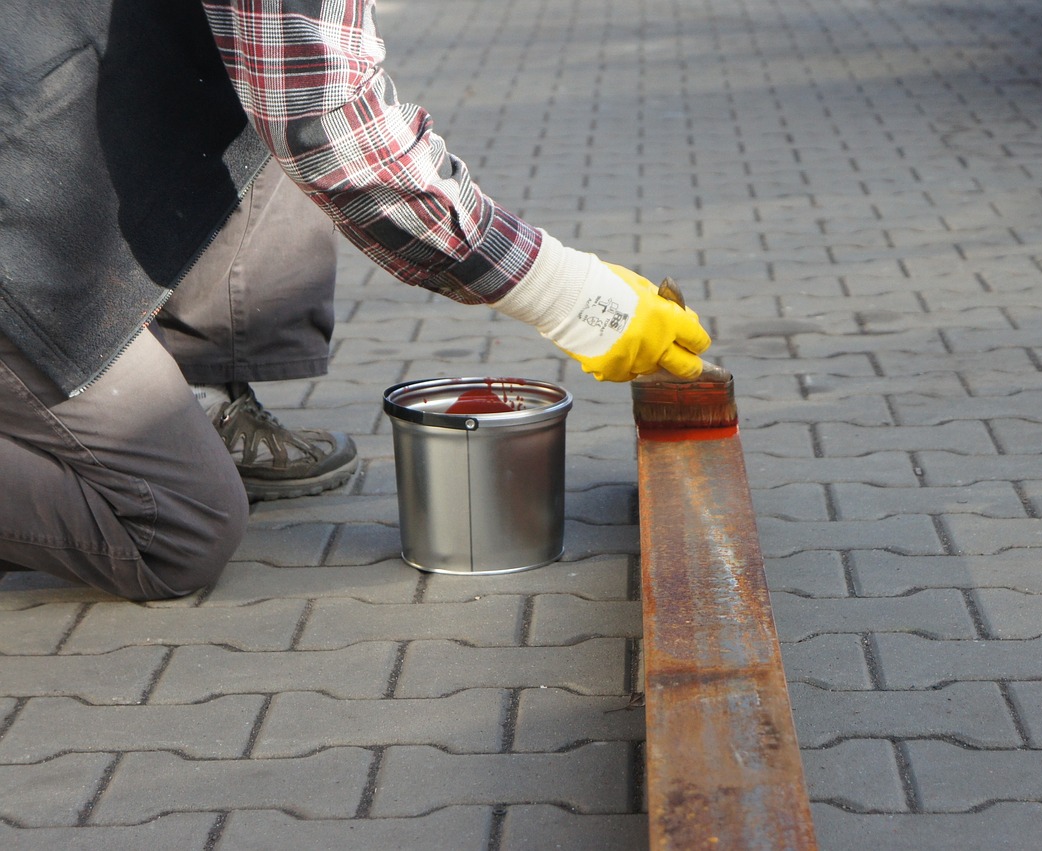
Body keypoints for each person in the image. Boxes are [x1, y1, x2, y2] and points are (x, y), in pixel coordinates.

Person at [0, 0, 711, 601]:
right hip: (21, 203)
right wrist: (576, 298)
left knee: (259, 104)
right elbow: (331, 129)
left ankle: (210, 401)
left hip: (52, 106)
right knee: (183, 526)